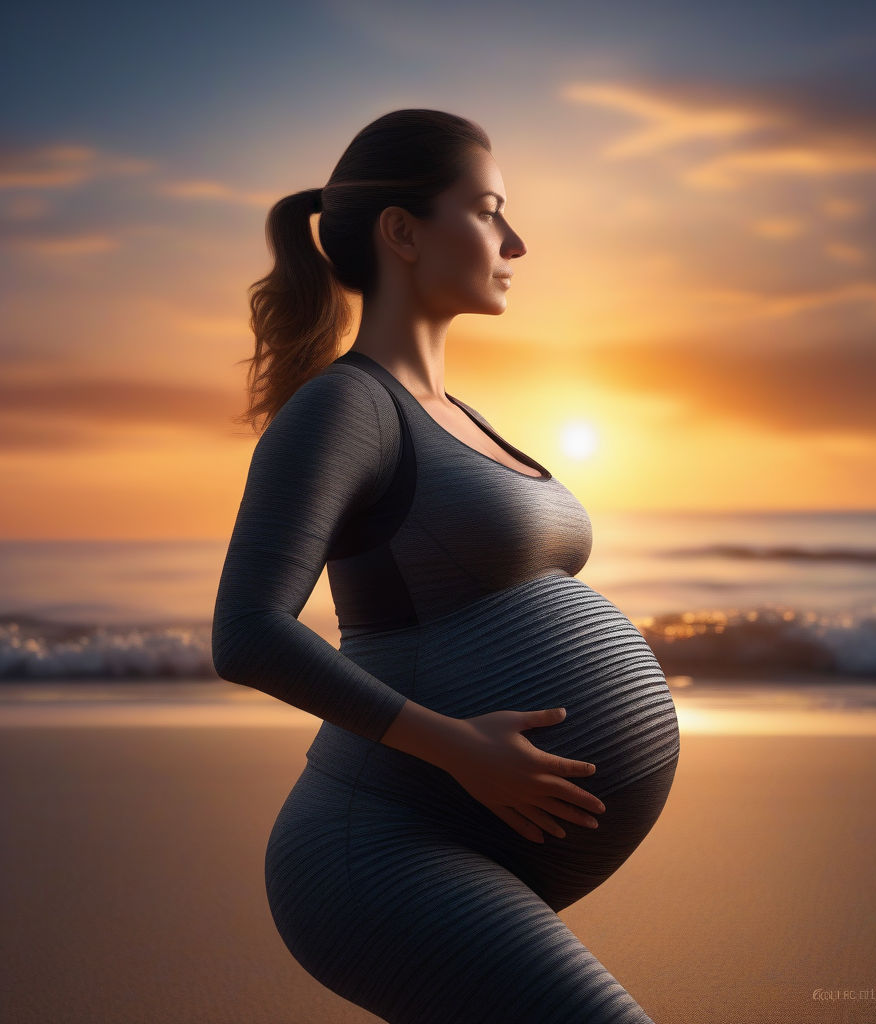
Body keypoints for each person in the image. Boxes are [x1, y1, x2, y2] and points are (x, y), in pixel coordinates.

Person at [211, 108, 680, 1024]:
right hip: (379, 849)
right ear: (403, 231)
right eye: (490, 209)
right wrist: (458, 747)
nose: (516, 241)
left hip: (474, 843)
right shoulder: (344, 407)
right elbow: (247, 635)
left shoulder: (452, 409)